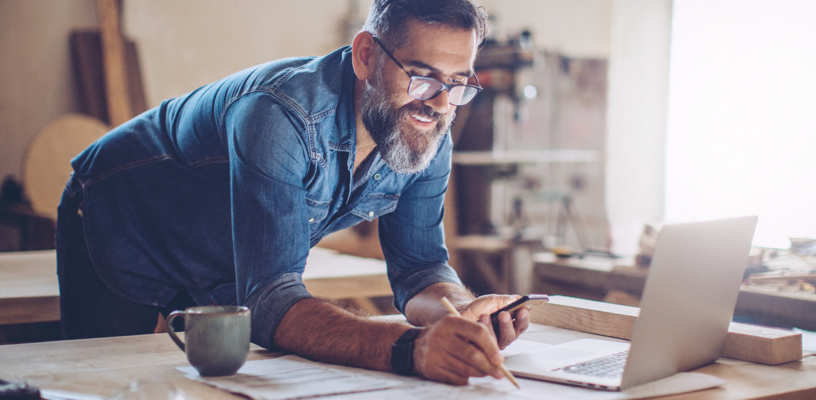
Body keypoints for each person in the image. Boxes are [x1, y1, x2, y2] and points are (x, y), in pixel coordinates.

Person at [56, 0, 530, 385]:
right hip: (122, 220)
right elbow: (271, 303)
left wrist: (459, 311)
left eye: (457, 84)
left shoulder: (428, 131)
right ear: (366, 54)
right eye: (421, 76)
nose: (440, 103)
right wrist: (410, 349)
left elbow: (421, 270)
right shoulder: (279, 116)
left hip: (223, 259)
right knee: (106, 387)